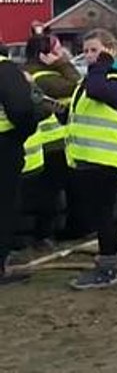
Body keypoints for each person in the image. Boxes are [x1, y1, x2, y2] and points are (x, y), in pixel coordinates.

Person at [64, 29, 117, 290]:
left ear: (109, 50)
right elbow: (76, 114)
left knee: (103, 214)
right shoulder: (89, 82)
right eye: (85, 51)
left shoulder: (116, 80)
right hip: (88, 159)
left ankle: (109, 267)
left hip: (106, 159)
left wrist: (104, 63)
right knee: (98, 214)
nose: (88, 57)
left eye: (94, 50)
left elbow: (98, 91)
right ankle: (107, 260)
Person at [23, 31, 83, 246]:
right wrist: (64, 64)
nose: (62, 53)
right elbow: (77, 85)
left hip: (55, 142)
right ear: (43, 55)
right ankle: (44, 236)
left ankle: (53, 233)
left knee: (56, 191)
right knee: (50, 194)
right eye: (57, 50)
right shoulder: (43, 76)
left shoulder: (36, 72)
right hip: (51, 144)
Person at [0, 51, 38, 284]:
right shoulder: (5, 69)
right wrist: (23, 133)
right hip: (4, 146)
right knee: (4, 205)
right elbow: (22, 109)